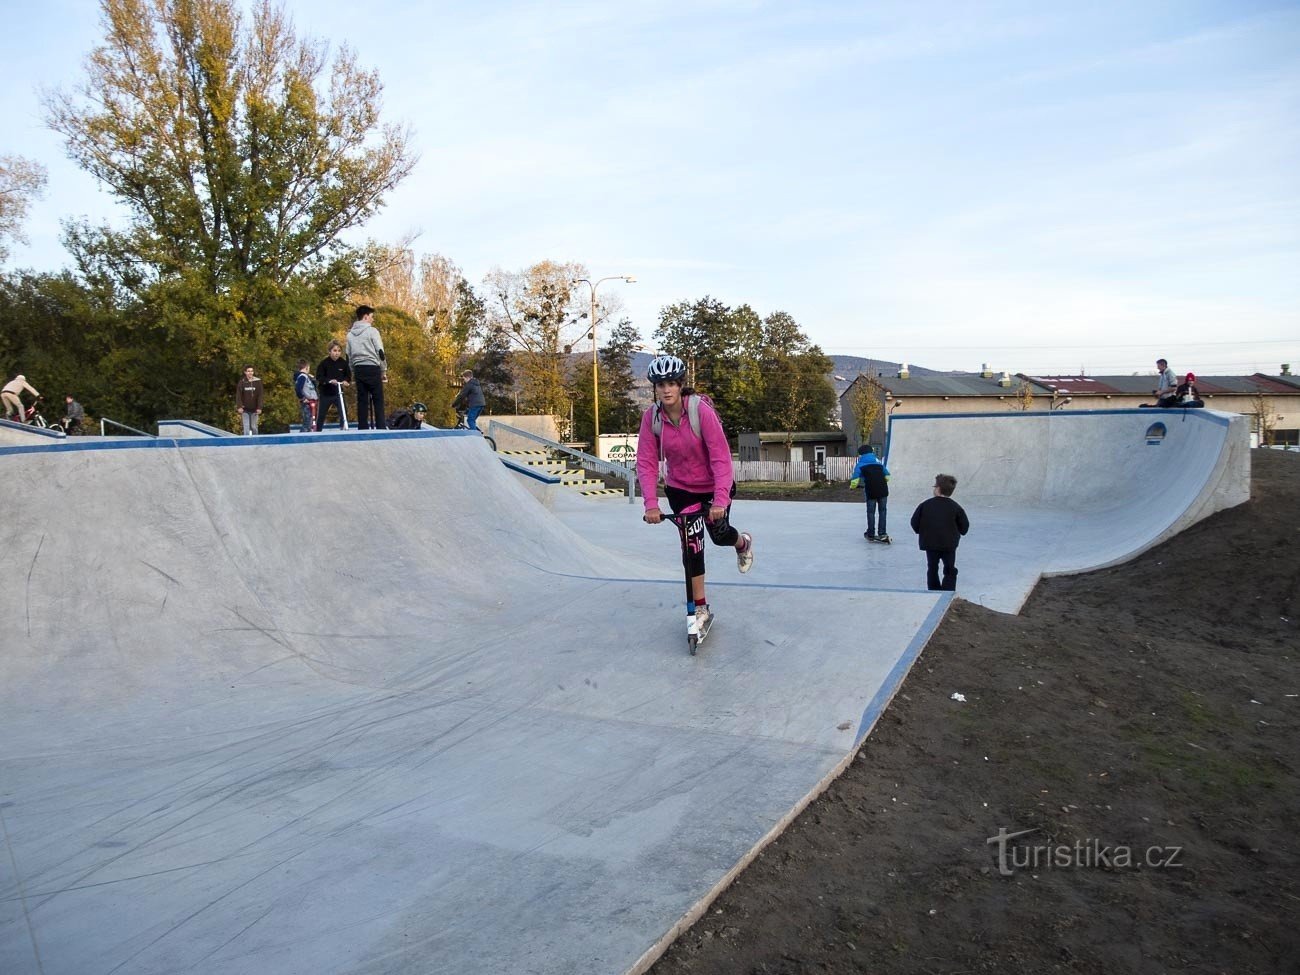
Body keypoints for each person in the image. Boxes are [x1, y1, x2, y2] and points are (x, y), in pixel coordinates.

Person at [636, 355, 754, 636]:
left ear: (680, 385)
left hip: (713, 486)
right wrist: (651, 504)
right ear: (655, 387)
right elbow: (646, 461)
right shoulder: (652, 418)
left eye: (672, 384)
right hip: (680, 489)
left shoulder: (701, 411)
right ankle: (699, 608)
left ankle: (742, 543)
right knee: (692, 547)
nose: (666, 390)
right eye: (661, 384)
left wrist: (721, 500)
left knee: (719, 534)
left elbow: (721, 458)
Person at [910, 474, 970, 592]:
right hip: (949, 544)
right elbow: (964, 527)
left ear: (938, 489)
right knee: (949, 568)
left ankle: (933, 590)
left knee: (932, 567)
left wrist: (922, 531)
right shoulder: (956, 507)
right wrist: (958, 532)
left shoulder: (925, 505)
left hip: (930, 542)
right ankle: (948, 590)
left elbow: (914, 522)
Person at [346, 304, 387, 429]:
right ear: (365, 317)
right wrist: (383, 370)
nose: (372, 319)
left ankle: (362, 427)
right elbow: (380, 352)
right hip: (372, 367)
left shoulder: (350, 335)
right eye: (371, 317)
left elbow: (348, 355)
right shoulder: (372, 331)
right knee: (378, 399)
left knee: (362, 400)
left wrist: (352, 371)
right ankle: (380, 427)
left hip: (358, 369)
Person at [850, 444, 891, 542]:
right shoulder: (878, 463)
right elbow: (888, 476)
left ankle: (871, 533)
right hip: (883, 490)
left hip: (871, 491)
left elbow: (855, 479)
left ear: (861, 455)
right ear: (871, 453)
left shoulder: (860, 464)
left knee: (871, 512)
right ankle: (882, 533)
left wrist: (852, 487)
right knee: (882, 512)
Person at [315, 340, 352, 430]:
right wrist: (329, 381)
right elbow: (319, 377)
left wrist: (346, 381)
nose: (337, 353)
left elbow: (348, 376)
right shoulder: (324, 363)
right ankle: (318, 430)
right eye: (334, 351)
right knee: (321, 414)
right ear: (329, 351)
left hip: (338, 393)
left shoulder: (343, 363)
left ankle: (343, 428)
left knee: (343, 412)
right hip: (326, 393)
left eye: (339, 351)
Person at [235, 365, 264, 435]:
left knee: (253, 426)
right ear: (245, 372)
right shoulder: (242, 382)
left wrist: (259, 407)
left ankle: (256, 441)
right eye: (248, 371)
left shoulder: (258, 382)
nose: (250, 373)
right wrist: (239, 406)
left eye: (251, 371)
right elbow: (238, 395)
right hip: (245, 409)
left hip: (255, 409)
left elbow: (260, 396)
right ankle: (246, 442)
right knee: (246, 427)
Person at [293, 359, 318, 432]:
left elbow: (313, 388)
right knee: (307, 420)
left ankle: (309, 433)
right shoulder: (302, 376)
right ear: (307, 367)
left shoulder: (306, 377)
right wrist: (303, 398)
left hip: (312, 401)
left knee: (311, 420)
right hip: (307, 402)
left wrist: (313, 380)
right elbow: (298, 388)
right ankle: (303, 435)